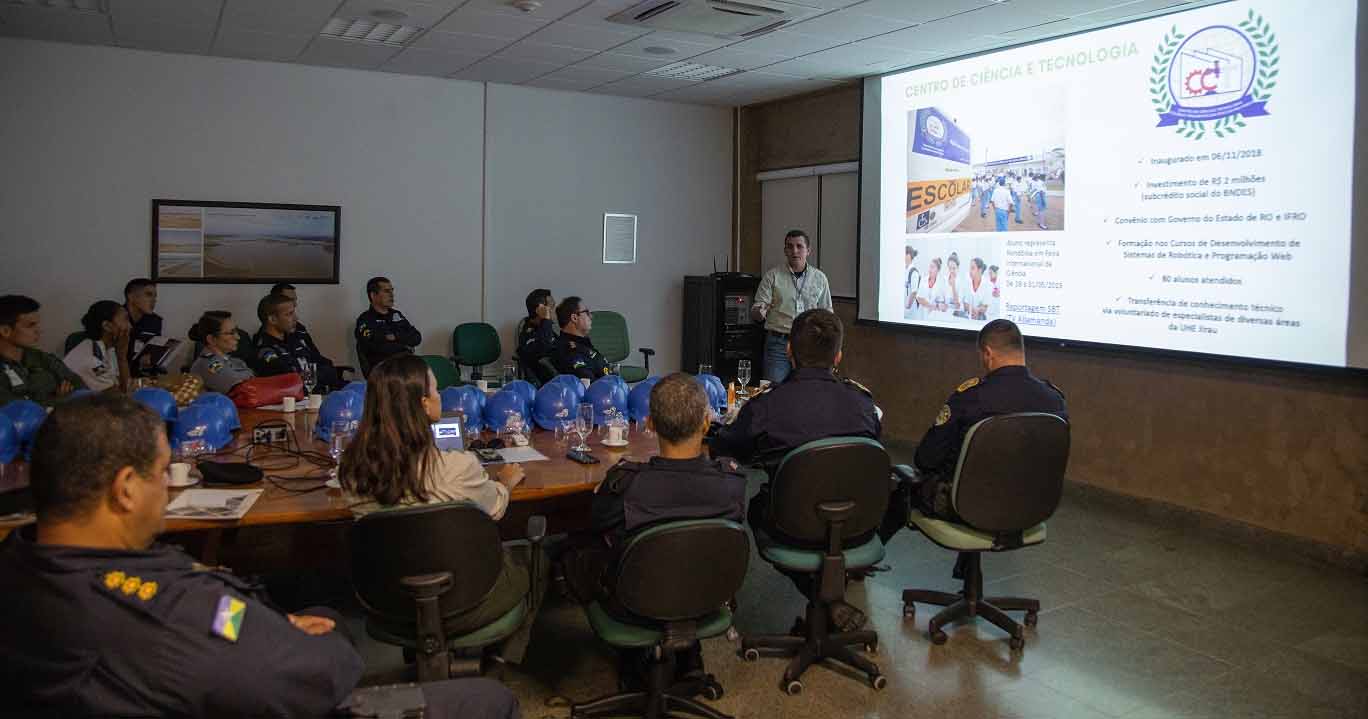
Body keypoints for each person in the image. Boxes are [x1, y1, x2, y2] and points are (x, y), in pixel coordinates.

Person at [0, 393, 518, 718]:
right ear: (126, 489)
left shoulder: (20, 566)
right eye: (162, 473)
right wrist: (269, 631)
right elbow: (323, 675)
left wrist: (268, 626)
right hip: (278, 684)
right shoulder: (174, 613)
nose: (167, 490)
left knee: (322, 613)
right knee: (487, 700)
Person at [560, 373, 747, 690]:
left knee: (574, 549)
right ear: (706, 424)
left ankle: (634, 660)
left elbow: (595, 524)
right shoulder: (733, 482)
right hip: (707, 597)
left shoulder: (626, 484)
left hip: (632, 606)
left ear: (650, 424)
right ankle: (689, 657)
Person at [710, 309, 885, 631]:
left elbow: (727, 448)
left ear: (789, 350)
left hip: (791, 527)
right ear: (838, 356)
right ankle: (831, 594)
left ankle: (819, 594)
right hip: (858, 526)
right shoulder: (863, 403)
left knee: (755, 504)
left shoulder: (767, 405)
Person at [340, 354, 530, 635]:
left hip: (389, 602)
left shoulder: (352, 471)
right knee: (532, 564)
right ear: (424, 404)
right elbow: (495, 507)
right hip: (468, 599)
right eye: (435, 390)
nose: (439, 395)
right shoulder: (457, 466)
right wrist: (506, 482)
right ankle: (504, 653)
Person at [902, 320, 1068, 523]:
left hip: (967, 508)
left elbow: (927, 459)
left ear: (988, 353)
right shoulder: (1055, 399)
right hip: (1033, 508)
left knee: (903, 489)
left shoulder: (971, 397)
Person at [751, 229, 833, 383]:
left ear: (808, 250)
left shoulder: (820, 278)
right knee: (774, 389)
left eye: (799, 246)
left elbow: (827, 314)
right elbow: (756, 310)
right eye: (790, 246)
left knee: (807, 390)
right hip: (778, 343)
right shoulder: (772, 276)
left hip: (809, 344)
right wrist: (759, 312)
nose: (794, 251)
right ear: (785, 251)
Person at [0, 295, 85, 406]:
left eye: (37, 324)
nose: (39, 331)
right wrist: (59, 400)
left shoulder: (41, 357)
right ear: (5, 331)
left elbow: (79, 387)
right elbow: (17, 412)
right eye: (30, 325)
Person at [252, 293, 344, 391]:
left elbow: (325, 365)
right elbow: (290, 380)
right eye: (289, 314)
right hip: (294, 398)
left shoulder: (295, 339)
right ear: (272, 319)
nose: (296, 318)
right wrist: (318, 375)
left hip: (320, 393)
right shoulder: (265, 349)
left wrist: (314, 375)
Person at [354, 276, 422, 374]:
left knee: (424, 370)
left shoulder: (396, 314)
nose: (391, 295)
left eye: (392, 291)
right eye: (386, 291)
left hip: (405, 365)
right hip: (383, 370)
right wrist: (405, 344)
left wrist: (395, 336)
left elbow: (416, 337)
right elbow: (378, 347)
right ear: (373, 295)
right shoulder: (365, 319)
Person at [63, 300, 131, 393]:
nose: (130, 326)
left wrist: (121, 356)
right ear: (107, 326)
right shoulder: (93, 361)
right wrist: (122, 358)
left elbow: (123, 385)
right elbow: (120, 396)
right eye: (125, 319)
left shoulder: (107, 348)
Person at [188, 311, 255, 395]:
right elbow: (243, 387)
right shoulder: (208, 365)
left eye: (236, 331)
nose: (238, 337)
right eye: (231, 333)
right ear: (211, 339)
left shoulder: (233, 360)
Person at [551, 296, 611, 380]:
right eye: (587, 312)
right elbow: (587, 382)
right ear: (574, 318)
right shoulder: (569, 349)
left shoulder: (582, 343)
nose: (591, 316)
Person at [123, 278, 163, 378]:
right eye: (148, 295)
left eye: (155, 296)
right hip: (117, 374)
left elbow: (154, 350)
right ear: (131, 296)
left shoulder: (155, 321)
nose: (154, 300)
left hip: (143, 375)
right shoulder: (116, 319)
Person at [515, 288, 557, 383]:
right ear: (540, 309)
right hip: (548, 385)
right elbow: (544, 347)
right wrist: (546, 320)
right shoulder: (528, 335)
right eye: (552, 306)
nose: (555, 310)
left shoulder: (547, 329)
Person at [903, 246, 922, 320]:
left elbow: (914, 292)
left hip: (910, 312)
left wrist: (907, 307)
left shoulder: (914, 272)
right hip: (905, 311)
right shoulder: (905, 270)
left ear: (908, 256)